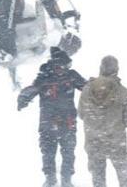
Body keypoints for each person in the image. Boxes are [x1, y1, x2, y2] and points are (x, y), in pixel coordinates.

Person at [18, 47, 87, 187]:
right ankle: (53, 179)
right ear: (59, 65)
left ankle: (62, 179)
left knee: (63, 151)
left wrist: (23, 98)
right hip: (55, 122)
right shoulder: (51, 77)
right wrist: (23, 98)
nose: (65, 68)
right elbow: (32, 90)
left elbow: (87, 88)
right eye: (65, 65)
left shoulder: (63, 75)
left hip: (60, 121)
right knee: (53, 151)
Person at [79, 56, 127, 187]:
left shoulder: (87, 90)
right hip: (116, 142)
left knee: (98, 177)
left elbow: (82, 114)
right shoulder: (123, 92)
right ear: (116, 70)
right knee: (124, 176)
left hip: (93, 141)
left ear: (100, 69)